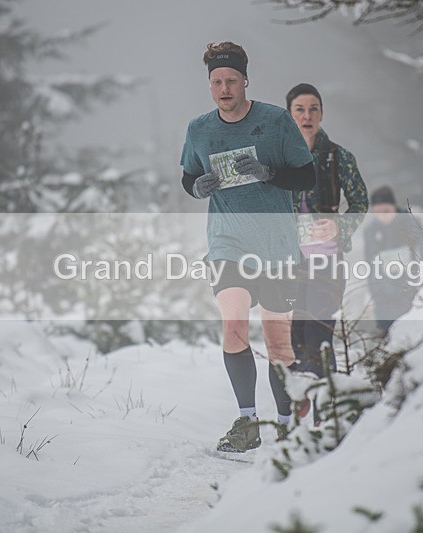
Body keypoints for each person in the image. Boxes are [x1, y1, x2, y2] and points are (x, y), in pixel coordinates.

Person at [180, 42, 315, 453]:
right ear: (210, 85)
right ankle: (247, 421)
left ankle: (289, 423)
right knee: (234, 327)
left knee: (278, 345)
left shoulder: (275, 121)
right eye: (217, 82)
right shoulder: (199, 129)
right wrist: (197, 186)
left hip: (276, 246)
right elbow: (188, 177)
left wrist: (268, 172)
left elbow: (305, 177)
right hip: (227, 242)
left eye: (231, 81)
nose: (224, 88)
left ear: (244, 82)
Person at [286, 83, 368, 379]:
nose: (307, 115)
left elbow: (360, 202)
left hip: (327, 261)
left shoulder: (338, 156)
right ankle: (300, 416)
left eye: (313, 109)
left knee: (318, 336)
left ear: (321, 113)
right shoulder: (280, 158)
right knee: (293, 343)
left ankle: (328, 412)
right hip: (289, 262)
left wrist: (339, 225)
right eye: (299, 109)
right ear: (289, 114)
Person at [363, 186, 423, 335]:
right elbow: (370, 265)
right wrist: (374, 294)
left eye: (386, 211)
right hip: (384, 300)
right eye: (377, 212)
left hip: (410, 295)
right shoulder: (371, 231)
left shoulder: (410, 223)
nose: (383, 216)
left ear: (394, 206)